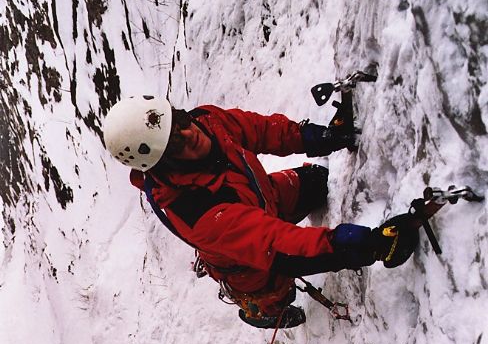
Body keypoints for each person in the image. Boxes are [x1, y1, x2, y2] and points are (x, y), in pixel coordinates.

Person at [103, 96, 417, 328]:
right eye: (173, 145)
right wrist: (367, 245)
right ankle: (263, 309)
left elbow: (259, 130)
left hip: (261, 196)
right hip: (245, 255)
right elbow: (277, 242)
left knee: (316, 180)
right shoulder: (194, 212)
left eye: (179, 121)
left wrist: (318, 138)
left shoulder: (206, 121)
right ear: (162, 164)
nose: (189, 134)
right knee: (277, 286)